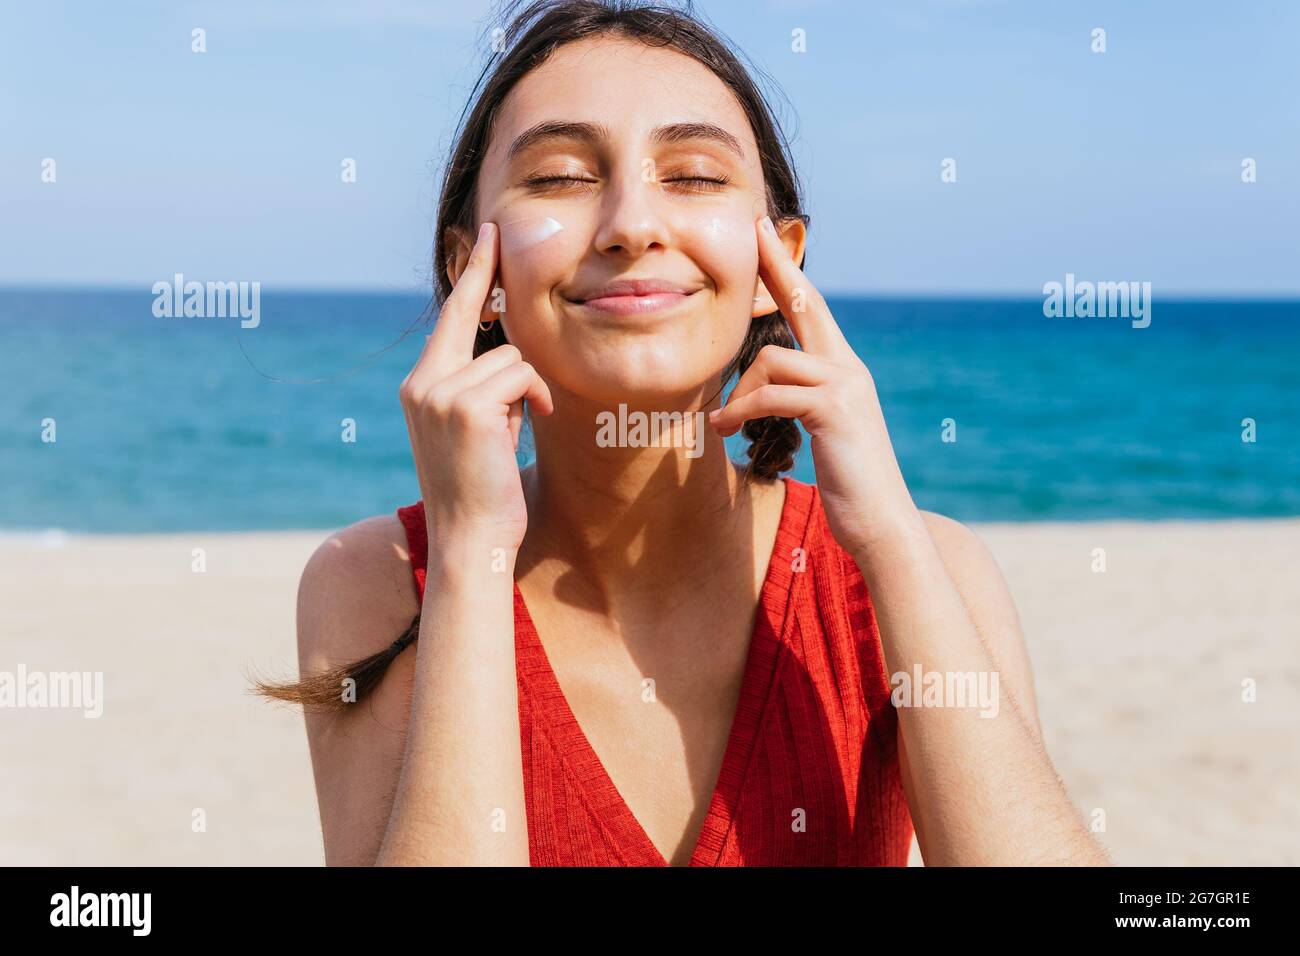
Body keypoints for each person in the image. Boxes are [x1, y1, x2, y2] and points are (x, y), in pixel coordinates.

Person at [258, 0, 1110, 868]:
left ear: (776, 264)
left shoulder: (925, 571)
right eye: (558, 176)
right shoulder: (380, 583)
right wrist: (471, 545)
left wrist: (889, 535)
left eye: (696, 176)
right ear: (471, 271)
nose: (632, 224)